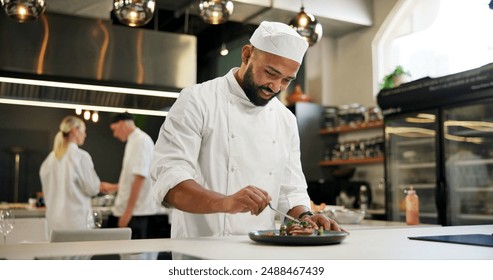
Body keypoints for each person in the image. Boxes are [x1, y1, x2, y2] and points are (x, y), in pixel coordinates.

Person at [151, 21, 344, 239]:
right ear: (246, 55)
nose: (276, 87)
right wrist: (227, 202)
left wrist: (305, 216)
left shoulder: (285, 119)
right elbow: (170, 179)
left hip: (262, 248)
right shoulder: (197, 100)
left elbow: (290, 190)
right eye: (271, 73)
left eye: (287, 80)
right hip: (201, 248)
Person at [39, 116, 102, 233]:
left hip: (54, 225)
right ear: (75, 131)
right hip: (77, 225)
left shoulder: (48, 161)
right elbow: (93, 188)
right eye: (84, 131)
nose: (85, 135)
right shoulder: (81, 157)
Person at [101, 112, 158, 240]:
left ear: (121, 124)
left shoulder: (141, 141)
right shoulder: (133, 141)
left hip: (136, 214)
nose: (114, 134)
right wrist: (115, 187)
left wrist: (127, 213)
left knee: (134, 258)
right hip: (133, 212)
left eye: (114, 129)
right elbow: (133, 180)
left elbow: (140, 178)